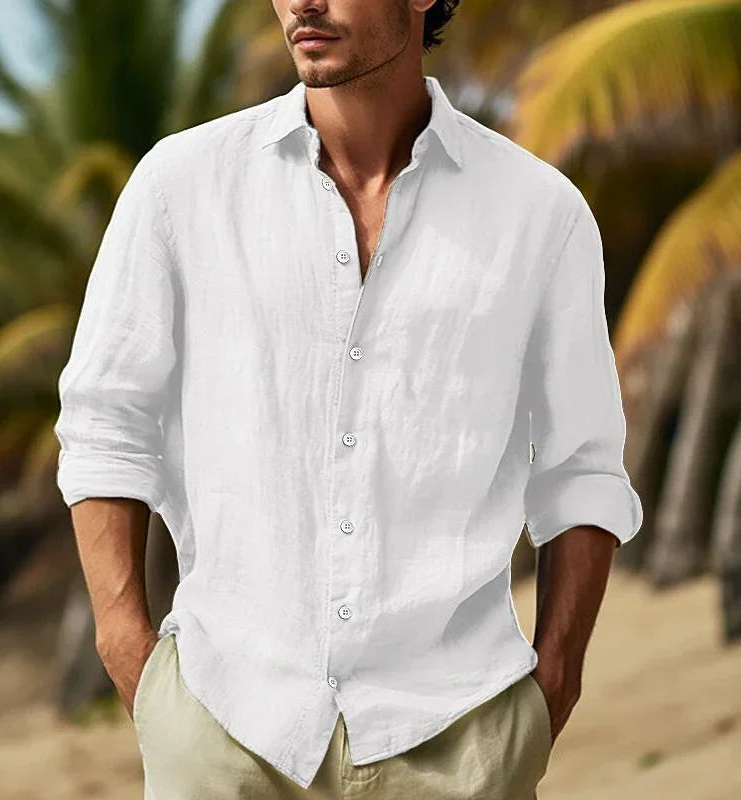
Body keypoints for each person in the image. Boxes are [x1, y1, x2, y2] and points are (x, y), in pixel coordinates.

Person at [53, 1, 643, 798]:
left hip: (456, 737)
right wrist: (132, 657)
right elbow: (106, 425)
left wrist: (554, 683)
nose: (302, 2)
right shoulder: (180, 188)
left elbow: (582, 467)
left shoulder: (540, 215)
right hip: (225, 729)